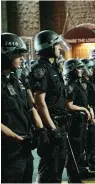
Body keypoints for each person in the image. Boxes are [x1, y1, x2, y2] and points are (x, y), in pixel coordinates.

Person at [1, 32, 46, 183]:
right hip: (8, 152)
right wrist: (18, 139)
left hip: (24, 149)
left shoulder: (17, 80)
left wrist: (40, 130)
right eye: (18, 54)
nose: (22, 58)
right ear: (6, 55)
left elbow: (31, 107)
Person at [29, 30, 71, 183]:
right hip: (51, 125)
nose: (60, 47)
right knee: (50, 170)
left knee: (58, 167)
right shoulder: (41, 69)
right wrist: (52, 129)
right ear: (48, 47)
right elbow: (40, 103)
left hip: (59, 124)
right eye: (57, 44)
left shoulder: (53, 68)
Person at [63, 59, 94, 181]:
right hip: (75, 122)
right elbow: (68, 105)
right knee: (74, 150)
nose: (81, 70)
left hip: (81, 121)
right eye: (79, 68)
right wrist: (84, 110)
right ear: (72, 70)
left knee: (81, 147)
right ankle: (73, 176)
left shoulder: (77, 84)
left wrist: (89, 109)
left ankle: (79, 169)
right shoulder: (70, 85)